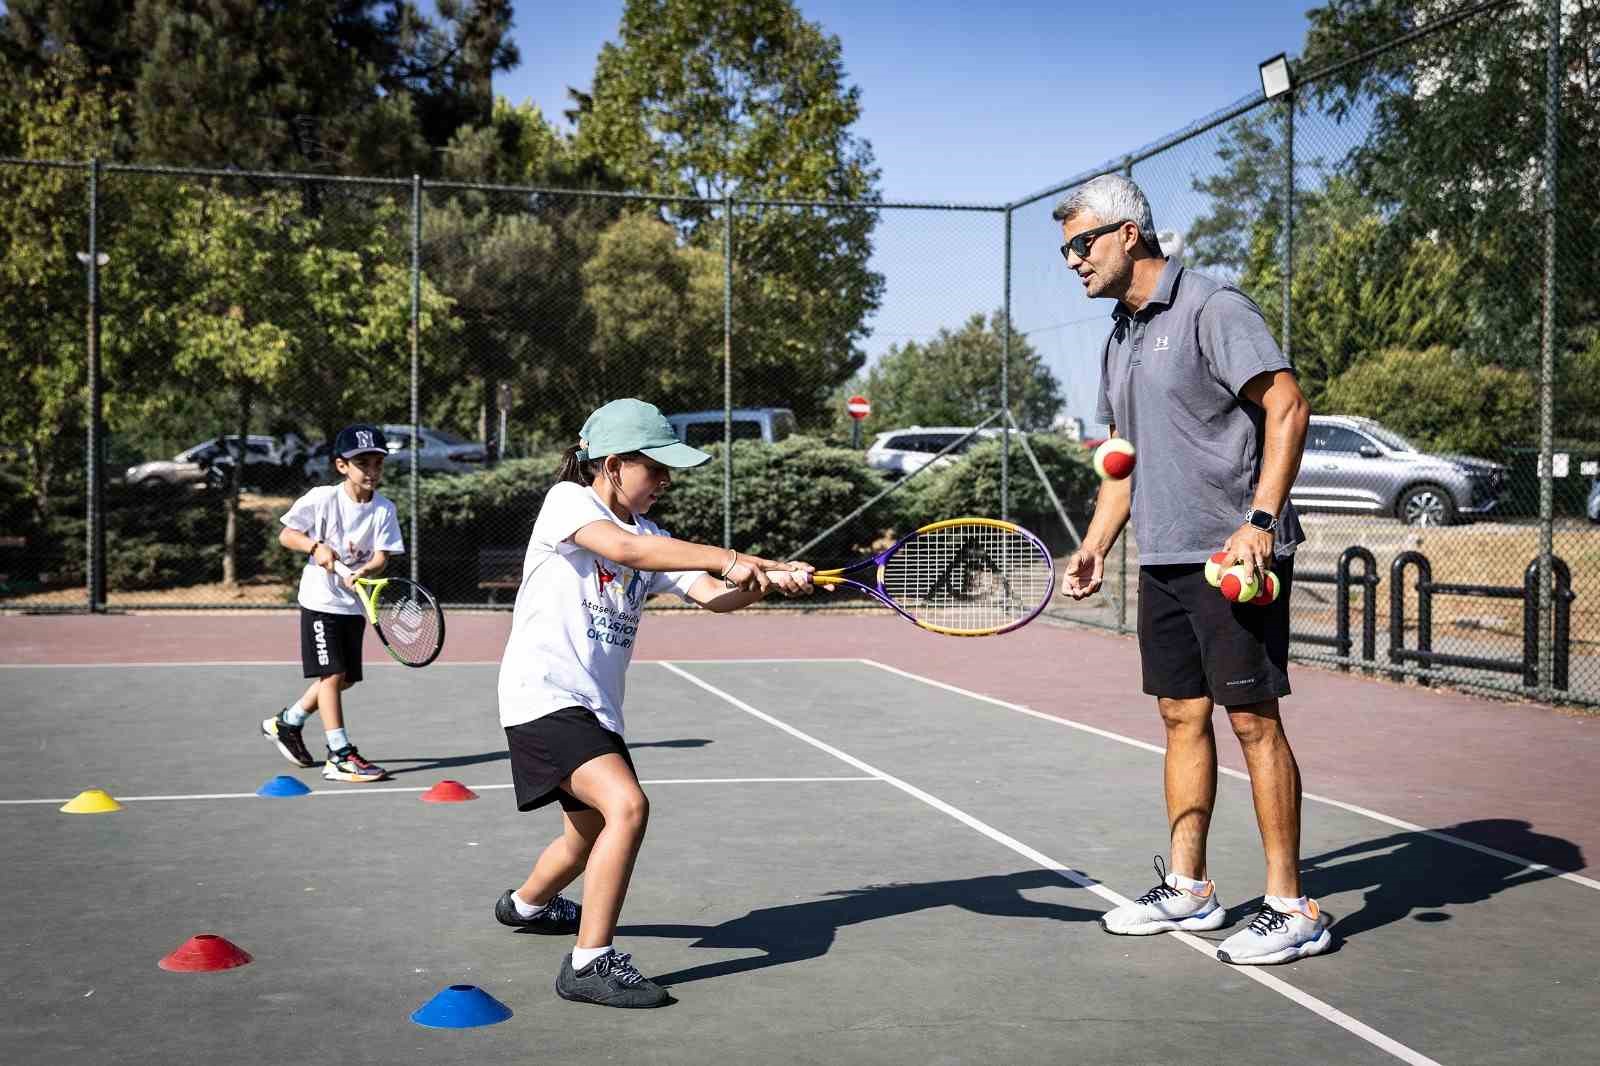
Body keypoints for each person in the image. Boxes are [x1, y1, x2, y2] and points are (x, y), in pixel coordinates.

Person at [1055, 175, 1327, 965]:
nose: (1073, 261)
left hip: (1232, 555)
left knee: (1253, 721)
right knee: (1180, 717)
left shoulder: (1214, 307)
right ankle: (1190, 888)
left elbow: (1288, 407)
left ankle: (1291, 905)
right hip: (1165, 556)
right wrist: (1098, 541)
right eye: (1066, 250)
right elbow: (1123, 461)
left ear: (1128, 234)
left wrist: (1261, 524)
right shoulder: (1120, 336)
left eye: (1081, 245)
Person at [493, 398, 815, 1008]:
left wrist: (760, 582)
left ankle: (526, 904)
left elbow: (711, 597)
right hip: (543, 694)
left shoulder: (654, 534)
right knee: (628, 808)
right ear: (613, 464)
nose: (666, 480)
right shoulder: (569, 504)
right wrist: (735, 558)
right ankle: (589, 964)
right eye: (655, 467)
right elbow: (628, 553)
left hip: (594, 707)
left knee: (585, 834)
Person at [261, 423, 404, 783]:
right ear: (342, 466)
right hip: (320, 600)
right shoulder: (322, 498)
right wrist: (316, 547)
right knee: (332, 674)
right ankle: (339, 754)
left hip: (353, 603)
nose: (371, 471)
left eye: (377, 463)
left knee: (344, 680)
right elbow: (287, 534)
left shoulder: (384, 509)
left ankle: (288, 722)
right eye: (363, 464)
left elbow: (382, 556)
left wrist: (364, 569)